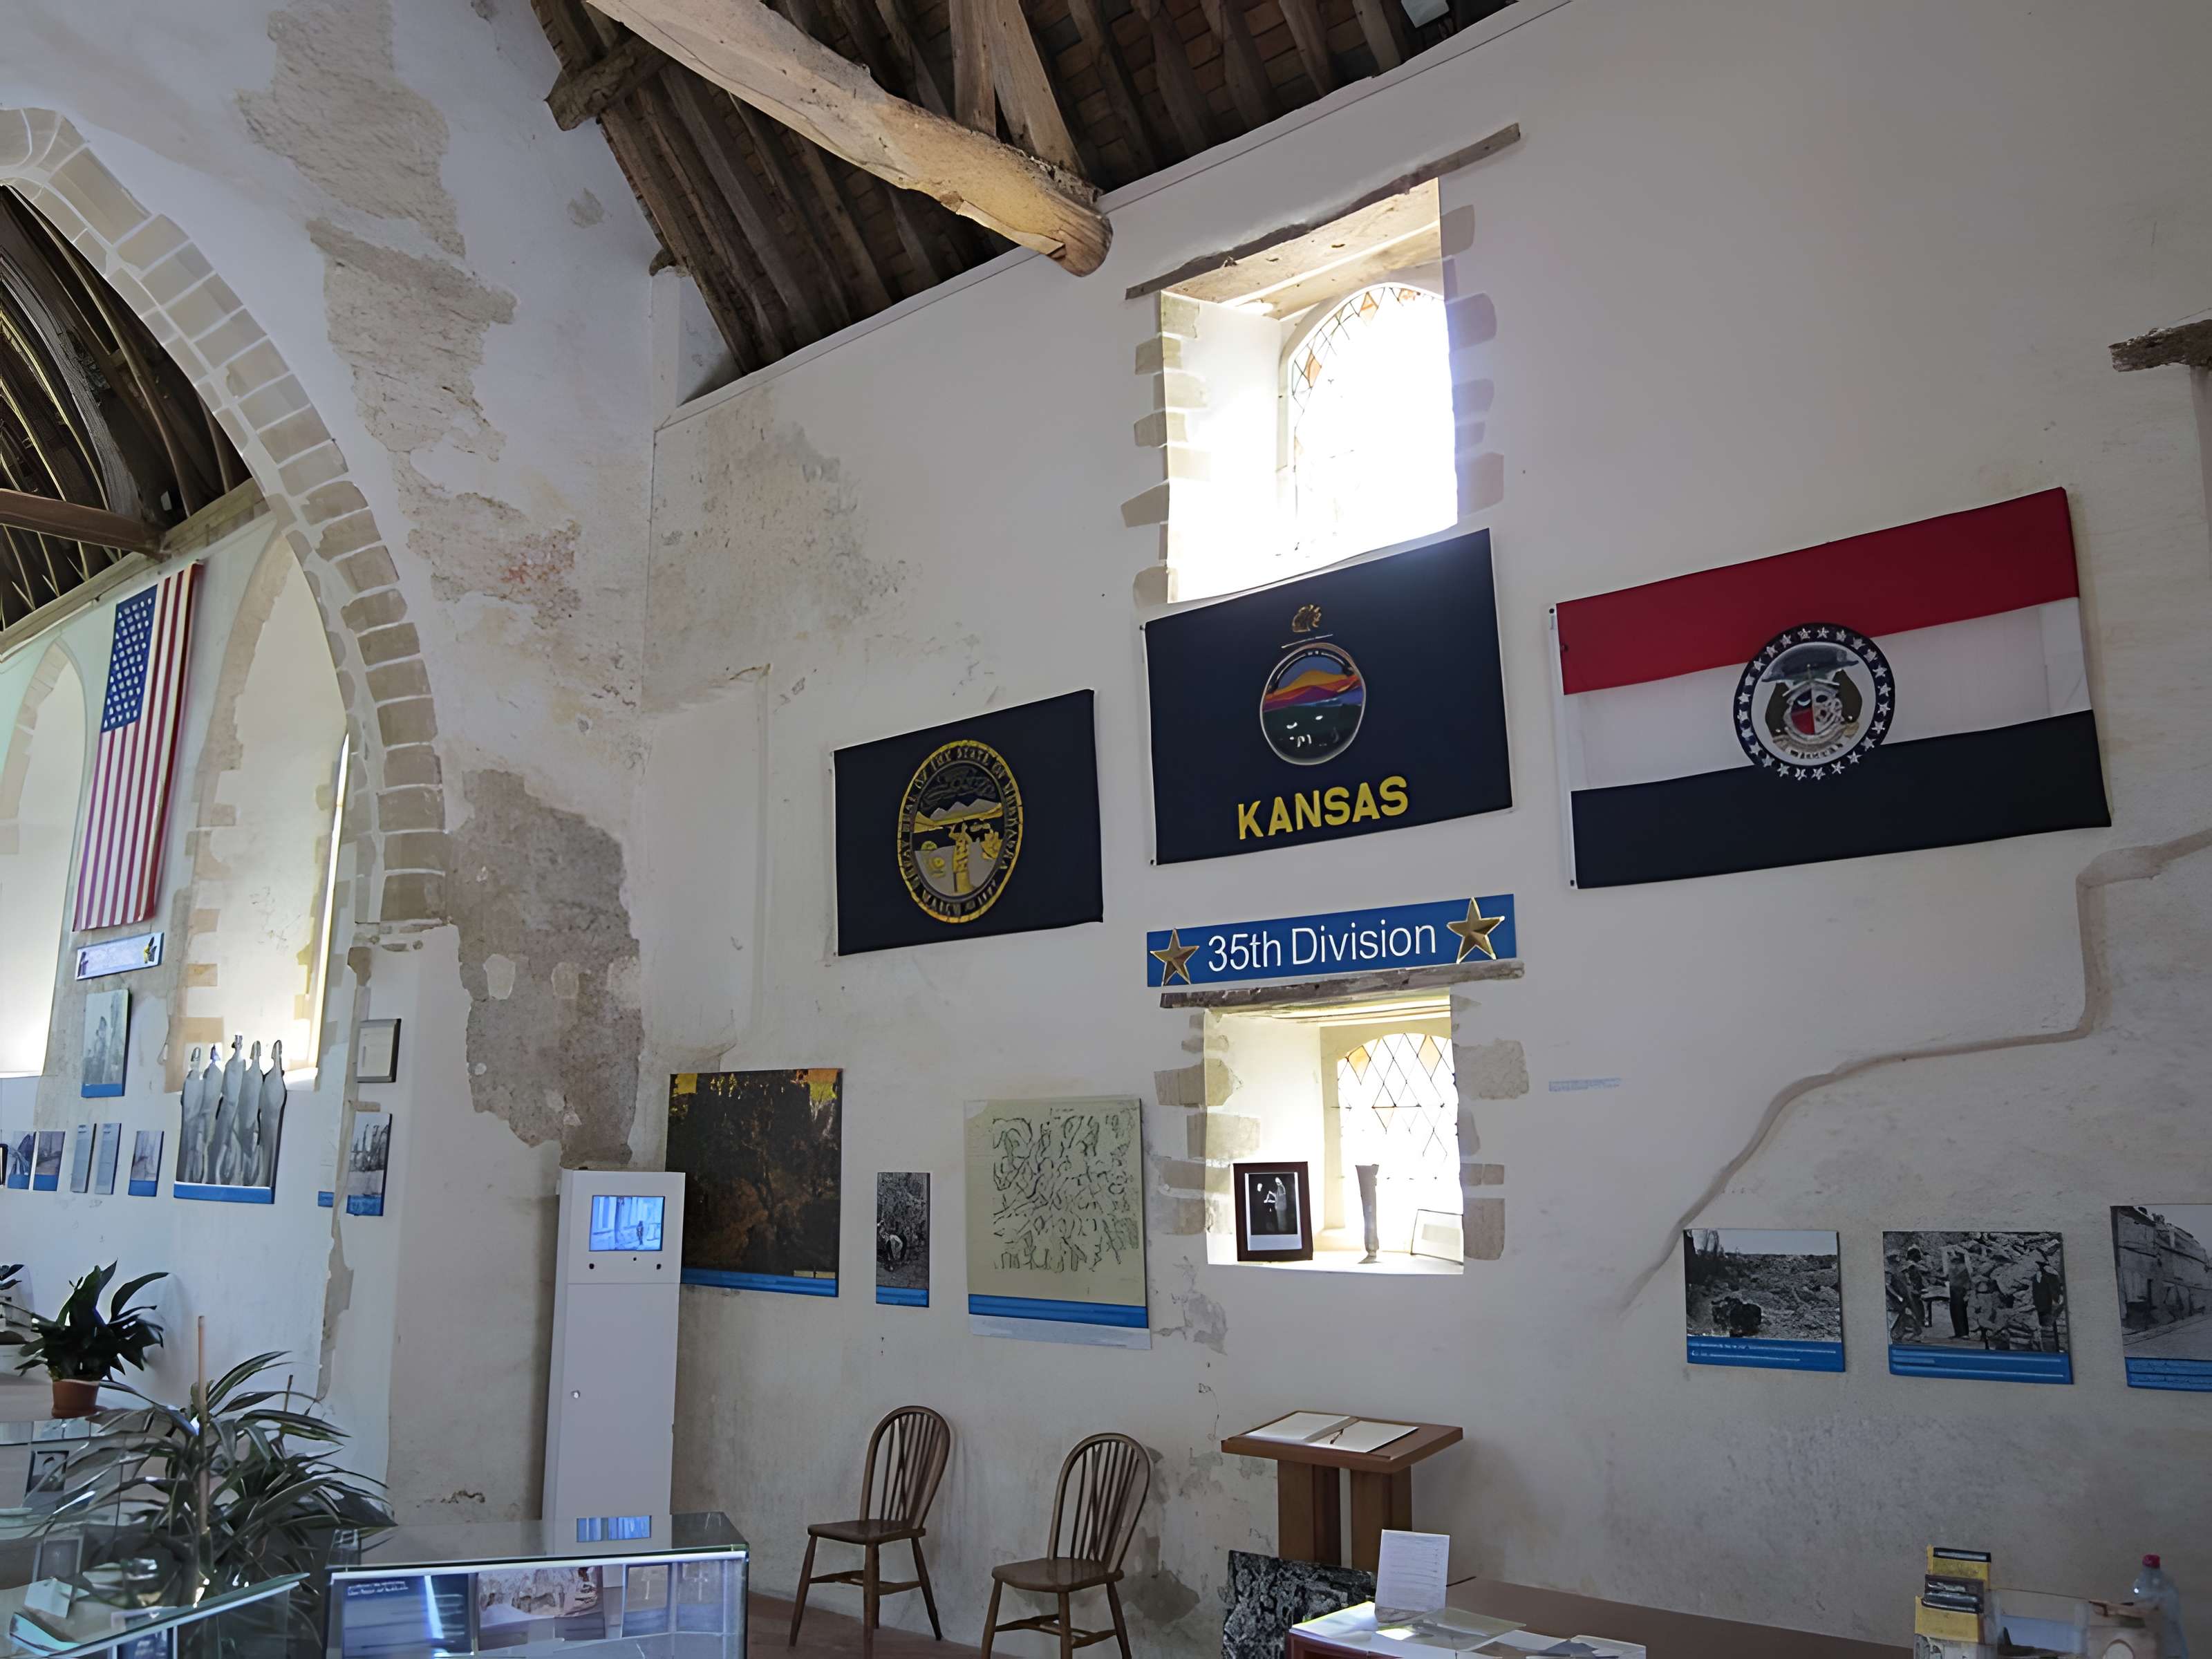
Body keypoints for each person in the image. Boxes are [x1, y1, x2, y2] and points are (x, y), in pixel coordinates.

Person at [1885, 1251, 1922, 1342]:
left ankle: (1902, 1334)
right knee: (1899, 1317)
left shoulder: (1900, 1270)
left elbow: (1906, 1284)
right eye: (1896, 1258)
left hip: (1905, 1297)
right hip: (1895, 1299)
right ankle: (1897, 1335)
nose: (1898, 1259)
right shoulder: (1889, 1271)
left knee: (1906, 1315)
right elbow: (1888, 1286)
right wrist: (1897, 1296)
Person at [2031, 1254, 2063, 1351]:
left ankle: (2052, 1349)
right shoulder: (2033, 1279)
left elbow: (2056, 1291)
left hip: (2047, 1308)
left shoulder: (2050, 1277)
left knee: (2050, 1331)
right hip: (2038, 1309)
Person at [1947, 1249, 1973, 1341]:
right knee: (1954, 1311)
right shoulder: (1956, 1267)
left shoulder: (1962, 1267)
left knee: (1960, 1311)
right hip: (1954, 1291)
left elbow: (1955, 1277)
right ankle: (1958, 1333)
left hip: (1960, 1291)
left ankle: (1964, 1333)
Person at [1971, 1273, 2000, 1349]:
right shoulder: (1978, 1281)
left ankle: (1991, 1333)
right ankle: (1985, 1337)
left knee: (1983, 1320)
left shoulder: (1989, 1292)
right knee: (1982, 1320)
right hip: (1982, 1296)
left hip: (1986, 1297)